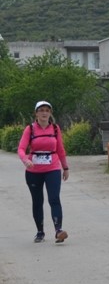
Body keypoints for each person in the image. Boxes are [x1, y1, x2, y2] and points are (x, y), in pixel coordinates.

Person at [17, 101, 70, 244]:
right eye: (41, 110)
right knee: (37, 201)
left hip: (52, 169)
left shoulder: (55, 129)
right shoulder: (30, 129)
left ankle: (58, 230)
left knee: (54, 198)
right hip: (33, 170)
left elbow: (60, 149)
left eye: (47, 110)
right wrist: (25, 160)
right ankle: (40, 232)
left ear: (50, 113)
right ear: (36, 113)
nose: (44, 113)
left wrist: (65, 168)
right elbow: (21, 148)